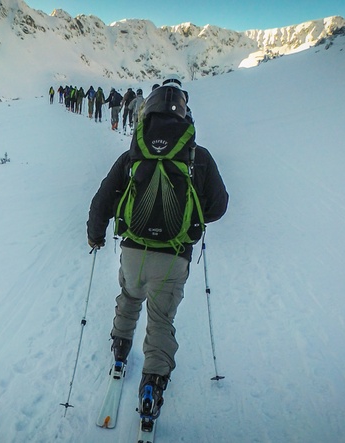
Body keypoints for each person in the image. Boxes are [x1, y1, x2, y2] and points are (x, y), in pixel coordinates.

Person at [86, 78, 228, 423]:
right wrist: (193, 219)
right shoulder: (199, 156)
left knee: (130, 298)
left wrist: (96, 235)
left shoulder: (133, 153)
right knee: (161, 322)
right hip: (174, 256)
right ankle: (152, 385)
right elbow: (219, 206)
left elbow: (103, 199)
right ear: (184, 113)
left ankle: (120, 350)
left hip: (134, 249)